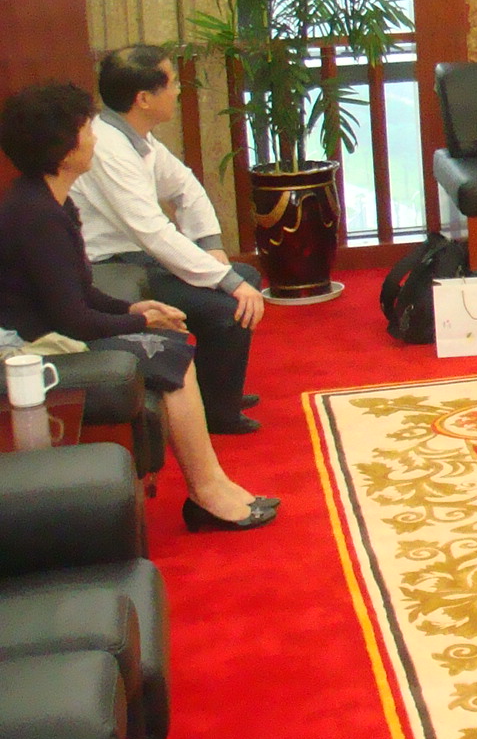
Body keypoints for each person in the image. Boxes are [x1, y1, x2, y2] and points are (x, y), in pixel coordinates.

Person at [0, 83, 276, 530]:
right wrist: (139, 320)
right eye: (86, 129)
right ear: (63, 149)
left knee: (170, 345)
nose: (94, 138)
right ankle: (207, 493)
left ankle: (212, 487)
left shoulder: (51, 201)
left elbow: (81, 292)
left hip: (48, 328)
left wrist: (136, 308)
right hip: (25, 346)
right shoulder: (36, 216)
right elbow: (72, 319)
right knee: (169, 354)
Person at [71, 45, 265, 434]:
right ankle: (218, 413)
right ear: (143, 99)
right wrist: (224, 279)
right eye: (172, 83)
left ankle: (216, 393)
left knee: (243, 277)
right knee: (229, 301)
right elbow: (153, 232)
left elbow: (184, 187)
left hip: (137, 256)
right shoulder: (108, 147)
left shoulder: (135, 137)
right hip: (109, 269)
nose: (178, 90)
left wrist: (211, 247)